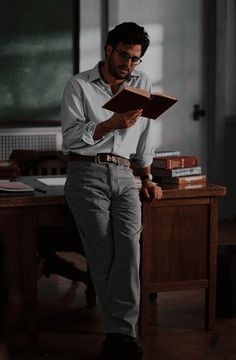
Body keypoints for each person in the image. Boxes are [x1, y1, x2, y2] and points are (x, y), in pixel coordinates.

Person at [61, 22, 163, 360]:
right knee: (104, 254)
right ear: (108, 49)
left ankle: (119, 334)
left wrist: (147, 177)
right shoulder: (78, 85)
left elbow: (146, 135)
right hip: (86, 171)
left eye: (136, 59)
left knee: (130, 252)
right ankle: (122, 335)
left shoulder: (141, 84)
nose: (129, 65)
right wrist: (109, 124)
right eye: (124, 55)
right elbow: (71, 138)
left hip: (125, 175)